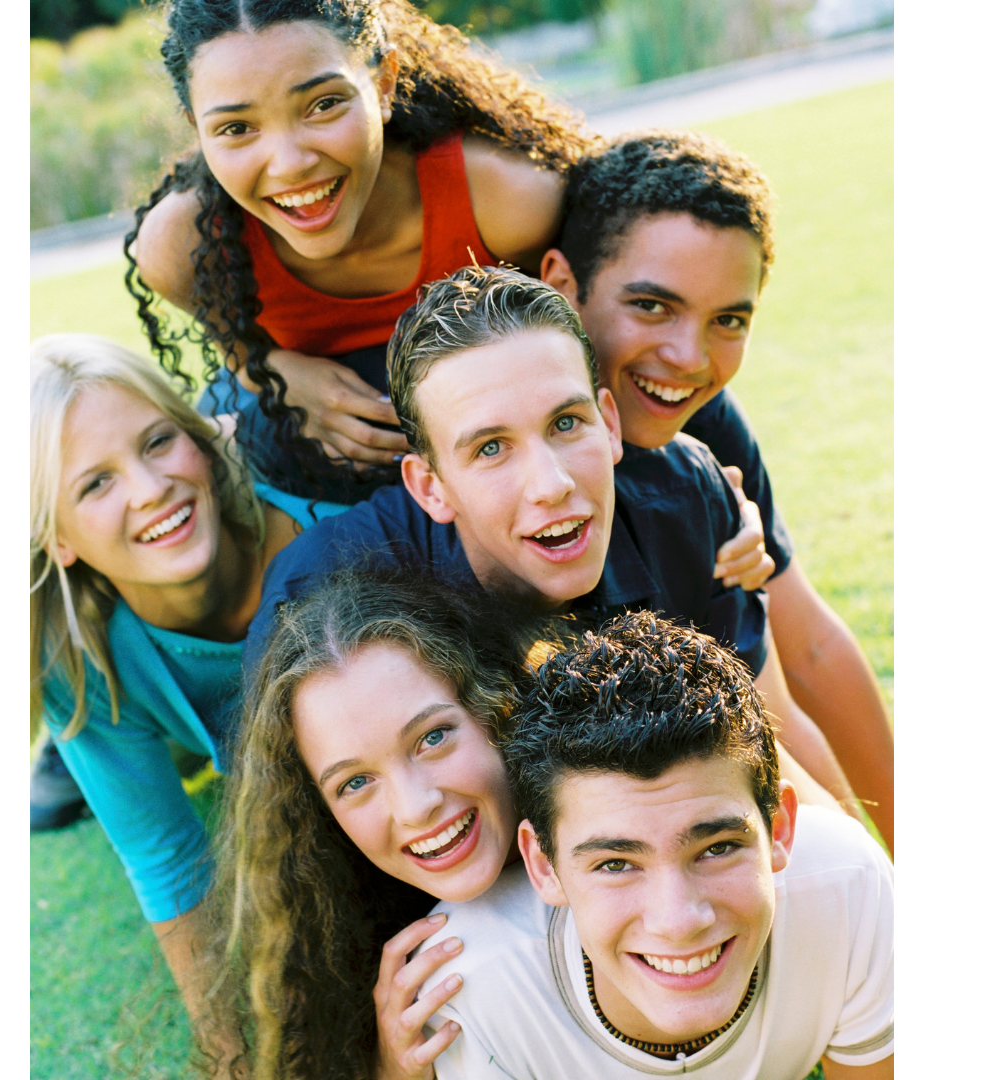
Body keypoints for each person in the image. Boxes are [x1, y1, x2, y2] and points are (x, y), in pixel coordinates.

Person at [247, 265, 857, 805]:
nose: (552, 483)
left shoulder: (682, 497)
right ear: (430, 486)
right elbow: (305, 856)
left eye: (566, 423)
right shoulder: (315, 602)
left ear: (610, 423)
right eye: (491, 448)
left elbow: (768, 742)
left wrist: (872, 890)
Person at [214, 565, 838, 1080]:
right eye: (354, 782)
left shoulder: (637, 767)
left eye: (433, 737)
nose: (414, 806)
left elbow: (816, 842)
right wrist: (393, 1069)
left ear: (497, 706)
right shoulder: (410, 958)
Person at [541, 131, 894, 851]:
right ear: (561, 285)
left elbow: (808, 652)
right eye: (651, 306)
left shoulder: (703, 432)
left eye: (728, 320)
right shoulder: (507, 464)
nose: (690, 359)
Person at [127, 0, 595, 503]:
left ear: (383, 82)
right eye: (237, 128)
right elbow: (236, 346)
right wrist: (271, 370)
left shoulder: (507, 202)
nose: (290, 165)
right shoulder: (183, 246)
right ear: (196, 127)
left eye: (323, 104)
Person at [417, 612, 894, 1079]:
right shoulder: (477, 984)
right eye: (616, 864)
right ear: (544, 865)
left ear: (779, 827)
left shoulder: (847, 886)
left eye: (717, 848)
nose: (679, 922)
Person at [30, 333, 317, 1060]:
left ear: (198, 439)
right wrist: (224, 1051)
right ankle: (80, 763)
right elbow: (167, 855)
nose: (151, 488)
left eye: (158, 442)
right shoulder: (74, 660)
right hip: (176, 716)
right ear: (58, 539)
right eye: (95, 484)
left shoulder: (323, 537)